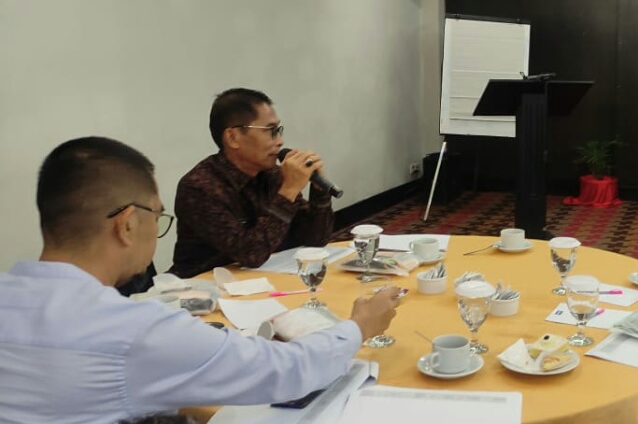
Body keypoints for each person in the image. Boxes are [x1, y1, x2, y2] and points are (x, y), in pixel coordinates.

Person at [0, 137, 399, 423]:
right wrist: (359, 327)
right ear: (127, 225)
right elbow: (286, 370)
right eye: (157, 216)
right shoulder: (133, 332)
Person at [170, 88, 334, 278]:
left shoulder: (272, 174)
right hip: (203, 286)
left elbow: (316, 239)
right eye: (271, 131)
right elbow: (251, 254)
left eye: (279, 130)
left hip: (261, 279)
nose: (280, 141)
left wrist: (319, 191)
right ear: (233, 138)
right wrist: (289, 190)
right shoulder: (199, 187)